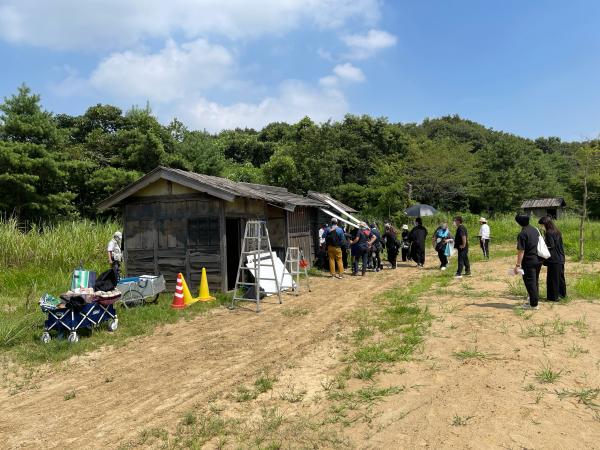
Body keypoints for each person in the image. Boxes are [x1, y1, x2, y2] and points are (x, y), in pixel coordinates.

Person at [514, 214, 542, 310]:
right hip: (538, 259)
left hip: (529, 261)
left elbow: (521, 251)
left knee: (530, 282)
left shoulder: (522, 234)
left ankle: (534, 304)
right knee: (535, 281)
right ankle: (534, 300)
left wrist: (518, 265)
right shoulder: (535, 229)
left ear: (518, 222)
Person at [539, 216, 567, 301]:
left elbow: (551, 246)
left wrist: (542, 245)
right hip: (561, 257)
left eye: (542, 225)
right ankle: (562, 295)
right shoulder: (557, 231)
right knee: (560, 278)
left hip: (554, 259)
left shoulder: (549, 232)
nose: (541, 226)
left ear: (545, 224)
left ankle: (553, 298)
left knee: (552, 278)